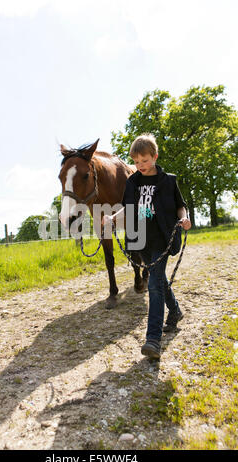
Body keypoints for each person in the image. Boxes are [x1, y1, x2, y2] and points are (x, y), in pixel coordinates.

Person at [102, 134, 191, 359]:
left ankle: (153, 339)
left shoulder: (169, 181)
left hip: (162, 236)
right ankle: (176, 311)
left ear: (155, 157)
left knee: (153, 284)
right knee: (158, 279)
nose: (140, 165)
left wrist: (185, 218)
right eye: (137, 162)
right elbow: (127, 209)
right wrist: (113, 219)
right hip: (140, 239)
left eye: (145, 160)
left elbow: (181, 207)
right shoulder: (132, 182)